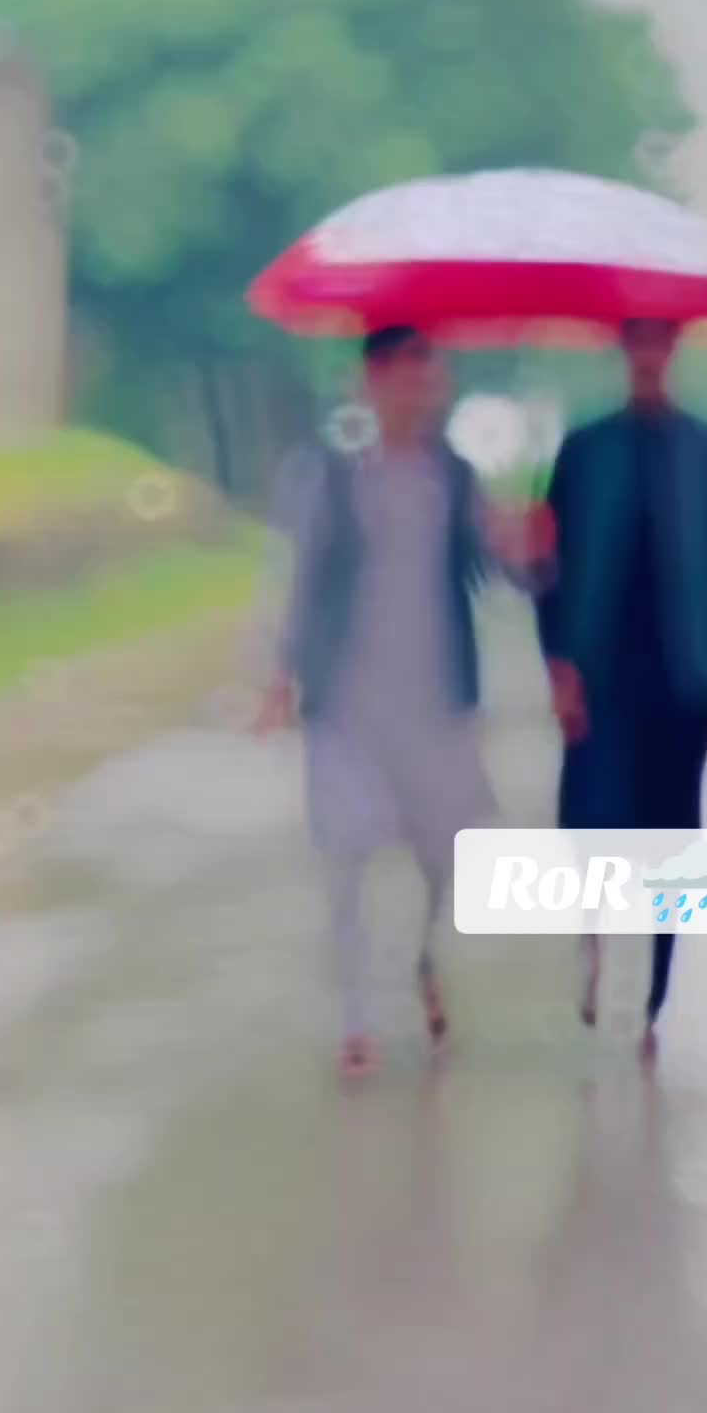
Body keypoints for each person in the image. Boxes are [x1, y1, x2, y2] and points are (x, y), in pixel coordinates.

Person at [255, 325, 549, 1083]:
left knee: (442, 854)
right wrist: (279, 674)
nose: (410, 384)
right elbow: (301, 580)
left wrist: (520, 546)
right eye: (394, 369)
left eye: (423, 367)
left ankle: (422, 956)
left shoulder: (454, 477)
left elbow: (502, 577)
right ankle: (355, 1020)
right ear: (368, 381)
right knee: (344, 852)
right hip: (348, 698)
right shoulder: (329, 475)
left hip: (435, 695)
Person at [536, 318, 707, 1058]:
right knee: (592, 818)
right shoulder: (585, 451)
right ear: (623, 352)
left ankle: (656, 992)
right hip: (601, 668)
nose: (647, 357)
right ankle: (595, 943)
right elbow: (550, 568)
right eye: (635, 343)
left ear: (672, 351)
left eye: (657, 343)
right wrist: (557, 663)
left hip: (685, 671)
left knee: (673, 829)